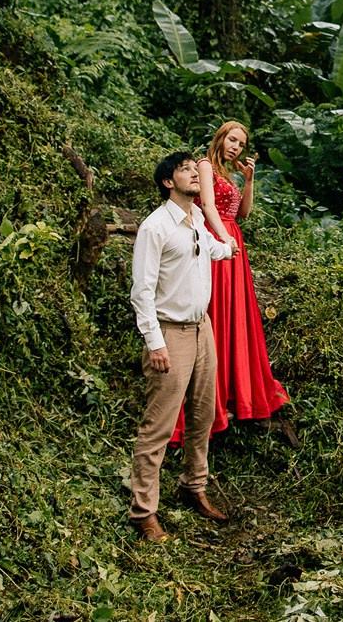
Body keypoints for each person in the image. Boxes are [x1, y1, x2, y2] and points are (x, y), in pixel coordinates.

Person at [126, 150, 235, 542]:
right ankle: (143, 513)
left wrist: (228, 243)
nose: (194, 173)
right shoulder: (155, 227)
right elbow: (141, 291)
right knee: (157, 427)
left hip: (201, 328)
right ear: (168, 182)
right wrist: (155, 344)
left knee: (203, 415)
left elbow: (213, 250)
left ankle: (193, 487)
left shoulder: (198, 221)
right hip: (170, 332)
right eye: (185, 170)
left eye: (195, 168)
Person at [170, 120, 293, 445]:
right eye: (232, 140)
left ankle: (232, 397)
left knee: (235, 320)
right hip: (215, 241)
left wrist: (249, 181)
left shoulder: (230, 174)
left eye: (241, 144)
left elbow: (244, 214)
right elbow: (207, 206)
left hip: (233, 244)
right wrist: (223, 241)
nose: (236, 147)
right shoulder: (206, 165)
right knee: (215, 316)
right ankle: (205, 406)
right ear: (221, 138)